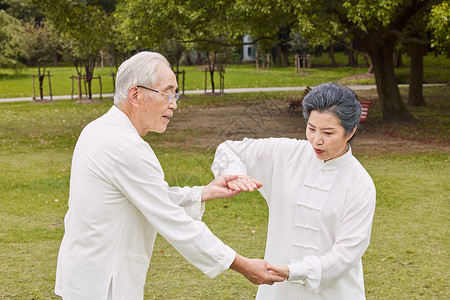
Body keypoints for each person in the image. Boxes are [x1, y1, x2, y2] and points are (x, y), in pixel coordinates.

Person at [54, 51, 284, 300]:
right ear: (136, 94)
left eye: (175, 94)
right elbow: (170, 219)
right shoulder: (126, 147)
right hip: (104, 284)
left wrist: (205, 192)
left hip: (86, 275)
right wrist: (241, 264)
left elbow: (147, 197)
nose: (174, 103)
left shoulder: (98, 129)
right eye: (168, 93)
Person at [212, 82, 376, 299]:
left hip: (333, 292)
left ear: (351, 131)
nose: (316, 140)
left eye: (328, 132)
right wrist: (236, 173)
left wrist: (296, 271)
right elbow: (230, 149)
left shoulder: (360, 184)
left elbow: (346, 254)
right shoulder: (287, 153)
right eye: (311, 128)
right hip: (278, 289)